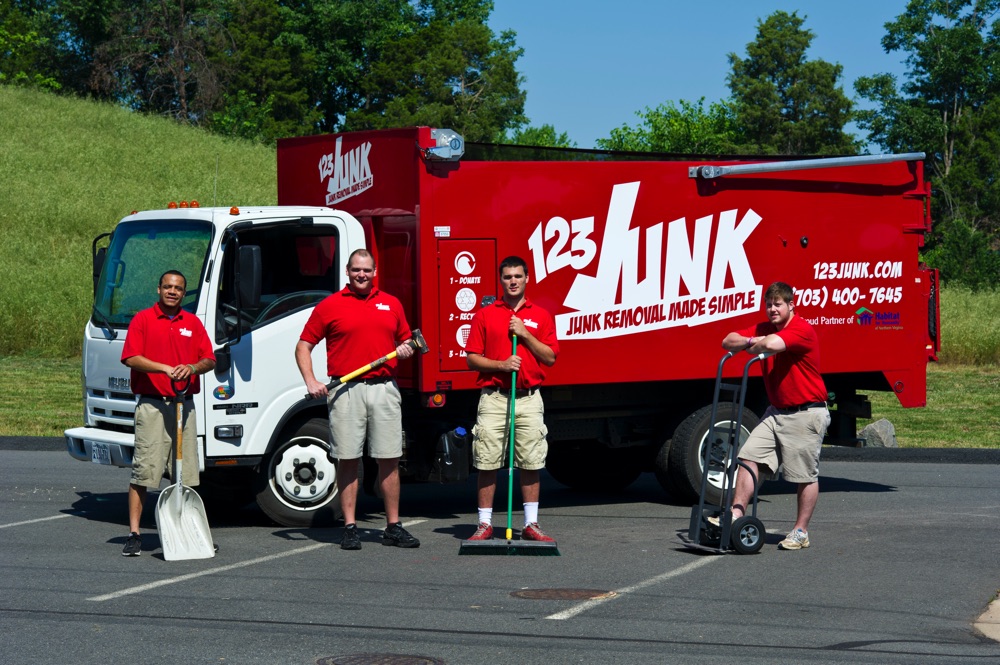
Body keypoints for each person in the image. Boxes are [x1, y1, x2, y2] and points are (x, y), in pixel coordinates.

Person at [296, 249, 419, 551]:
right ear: (347, 272)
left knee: (389, 458)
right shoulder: (330, 306)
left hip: (384, 388)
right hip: (345, 390)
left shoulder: (391, 304)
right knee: (347, 458)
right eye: (356, 270)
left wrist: (406, 349)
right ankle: (350, 527)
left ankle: (393, 526)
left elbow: (407, 340)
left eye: (366, 270)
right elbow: (303, 346)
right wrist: (311, 380)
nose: (361, 275)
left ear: (374, 271)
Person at [719, 281, 831, 550]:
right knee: (748, 458)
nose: (772, 309)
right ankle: (735, 516)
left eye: (777, 304)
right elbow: (727, 341)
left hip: (806, 412)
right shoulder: (763, 329)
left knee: (803, 475)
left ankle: (801, 531)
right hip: (776, 411)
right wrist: (749, 340)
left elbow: (771, 344)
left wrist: (756, 343)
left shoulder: (801, 329)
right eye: (768, 304)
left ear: (791, 305)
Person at [120, 270, 216, 556]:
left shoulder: (192, 322)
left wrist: (192, 367)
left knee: (185, 474)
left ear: (184, 293)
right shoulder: (143, 320)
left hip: (183, 404)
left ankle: (185, 530)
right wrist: (164, 367)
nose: (172, 292)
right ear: (158, 289)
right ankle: (135, 534)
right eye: (168, 287)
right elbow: (130, 357)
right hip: (152, 405)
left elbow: (209, 358)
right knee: (144, 471)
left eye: (178, 288)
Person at [464, 256, 560, 542]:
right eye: (507, 277)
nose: (513, 281)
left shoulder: (540, 315)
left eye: (518, 276)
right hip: (494, 398)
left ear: (527, 278)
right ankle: (484, 524)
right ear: (501, 279)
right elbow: (471, 359)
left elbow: (551, 357)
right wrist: (502, 366)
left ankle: (531, 524)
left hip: (529, 397)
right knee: (487, 460)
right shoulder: (485, 314)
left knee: (531, 461)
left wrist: (525, 334)